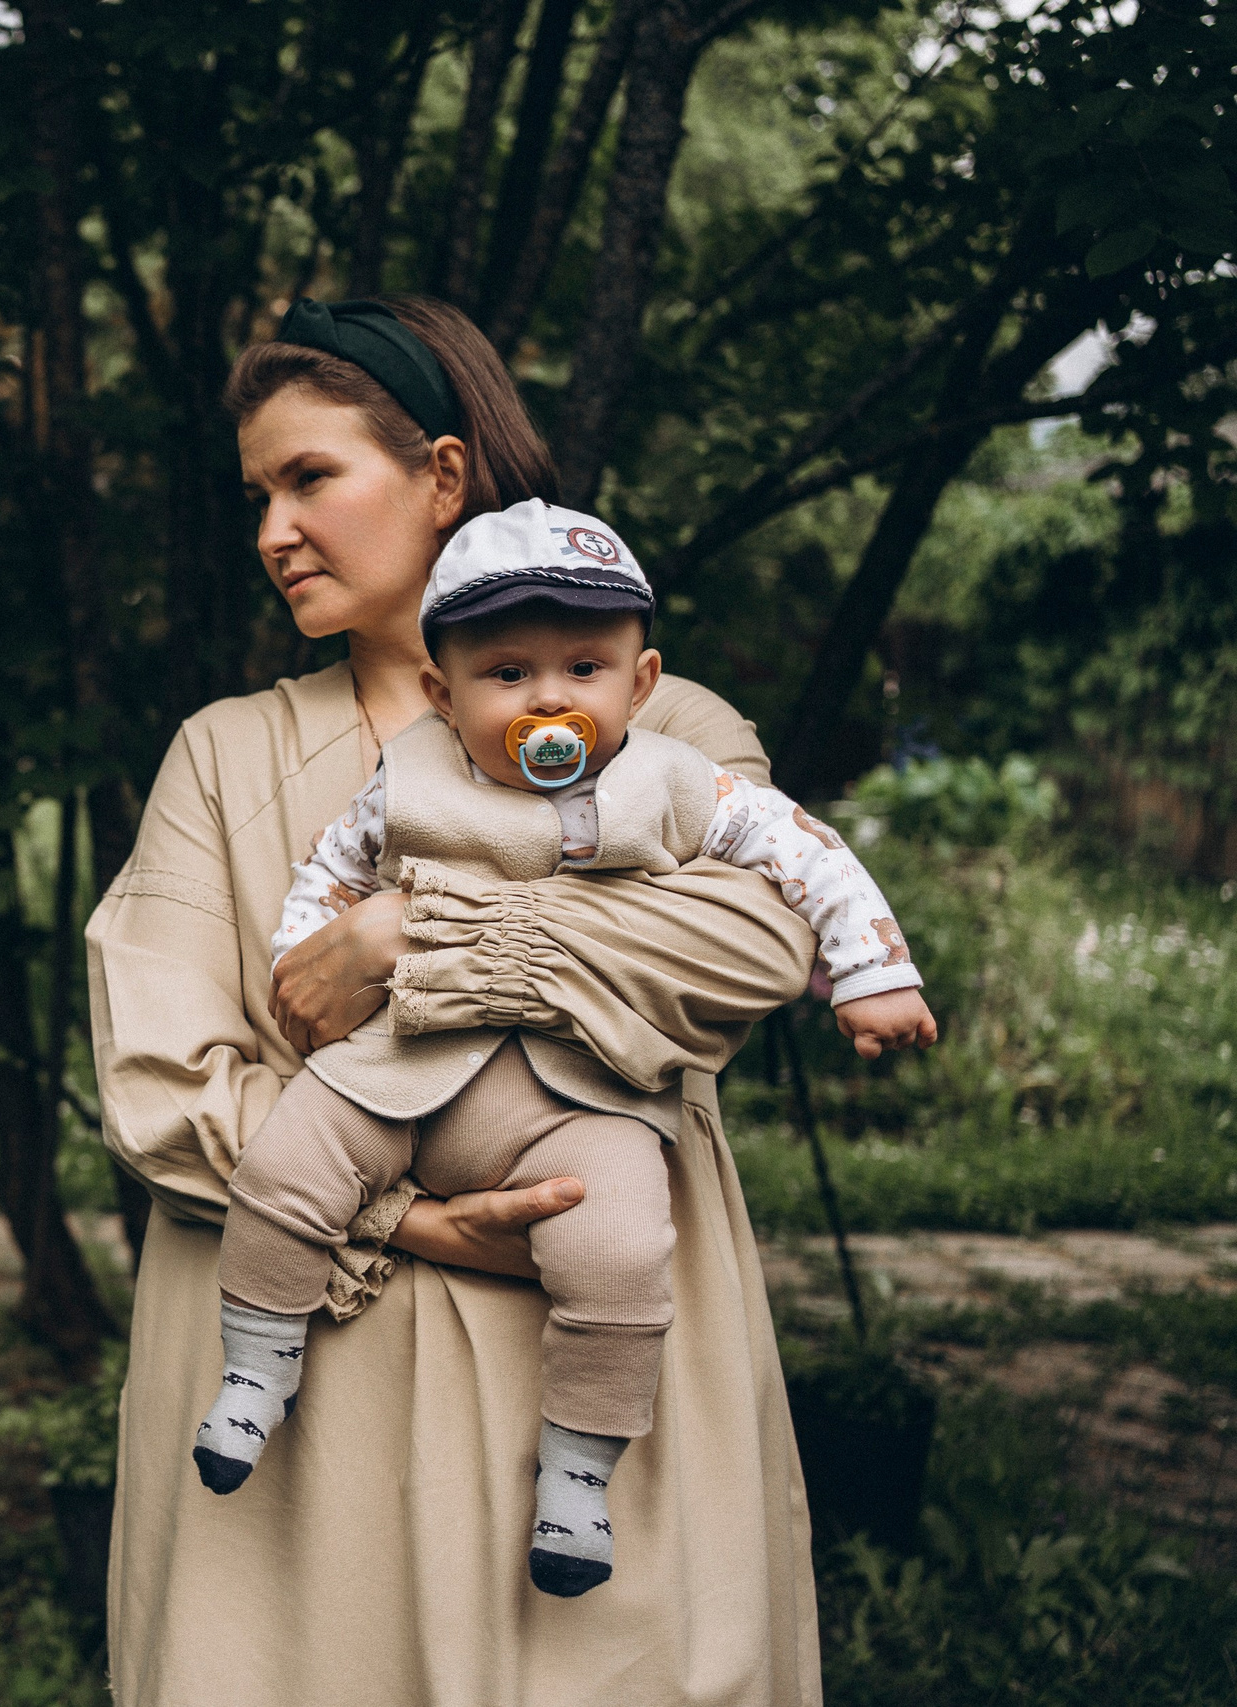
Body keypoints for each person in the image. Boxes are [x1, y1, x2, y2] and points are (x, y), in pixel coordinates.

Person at [86, 296, 831, 1705]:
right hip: (306, 1385)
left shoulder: (671, 730)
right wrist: (402, 1216)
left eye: (311, 478)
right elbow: (157, 1073)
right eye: (258, 494)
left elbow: (751, 950)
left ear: (439, 473)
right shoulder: (225, 756)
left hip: (600, 1362)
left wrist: (402, 940)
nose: (272, 531)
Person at [191, 494, 937, 1605]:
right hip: (402, 1069)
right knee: (284, 1169)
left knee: (623, 1256)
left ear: (639, 683)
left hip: (583, 1099)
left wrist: (873, 974)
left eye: (583, 668)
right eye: (506, 674)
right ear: (443, 694)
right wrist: (311, 961)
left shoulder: (680, 782)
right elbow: (329, 877)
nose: (548, 696)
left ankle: (578, 1475)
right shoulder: (411, 778)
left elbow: (807, 857)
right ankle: (256, 1367)